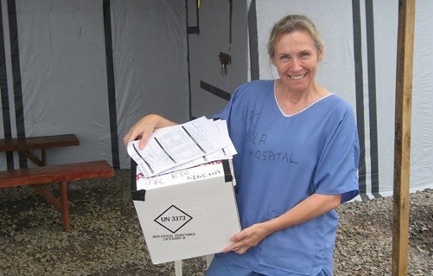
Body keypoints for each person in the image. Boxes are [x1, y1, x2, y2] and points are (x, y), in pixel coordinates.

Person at [124, 14, 359, 276]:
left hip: (297, 255)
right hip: (240, 245)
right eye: (284, 57)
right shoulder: (250, 97)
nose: (295, 66)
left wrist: (267, 229)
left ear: (320, 53)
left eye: (304, 54)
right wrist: (157, 121)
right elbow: (205, 141)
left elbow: (330, 196)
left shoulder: (337, 114)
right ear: (272, 59)